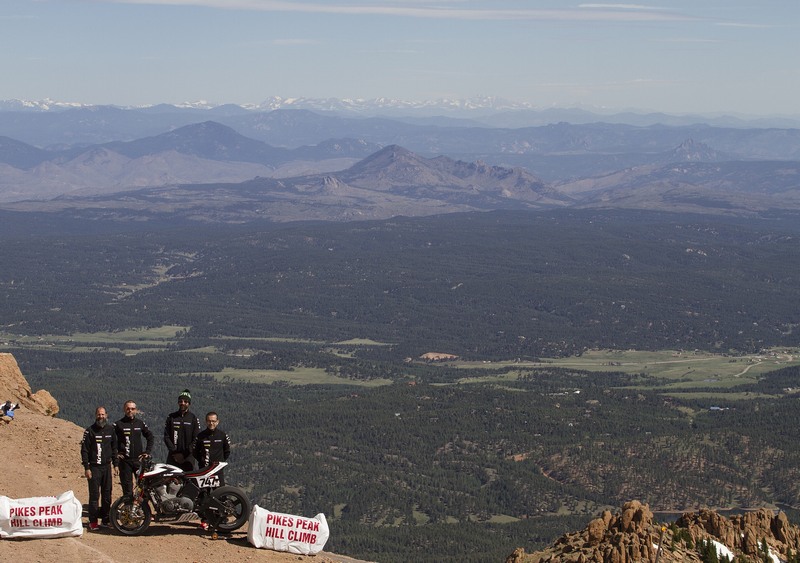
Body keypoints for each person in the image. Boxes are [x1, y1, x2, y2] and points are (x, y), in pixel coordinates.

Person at [80, 406, 117, 530]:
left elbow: (114, 448)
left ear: (106, 415)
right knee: (94, 496)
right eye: (98, 414)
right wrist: (87, 467)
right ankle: (93, 521)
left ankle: (106, 520)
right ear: (95, 415)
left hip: (107, 467)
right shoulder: (90, 431)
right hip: (94, 468)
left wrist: (115, 464)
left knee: (107, 496)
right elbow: (84, 450)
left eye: (102, 414)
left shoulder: (111, 429)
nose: (100, 417)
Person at [114, 400, 154, 497]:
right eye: (128, 409)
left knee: (142, 488)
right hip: (125, 462)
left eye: (132, 409)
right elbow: (111, 441)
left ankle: (143, 511)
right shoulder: (118, 424)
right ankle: (128, 510)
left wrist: (147, 452)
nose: (130, 411)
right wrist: (116, 454)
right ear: (124, 409)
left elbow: (150, 437)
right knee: (127, 489)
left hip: (138, 460)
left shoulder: (140, 423)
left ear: (136, 410)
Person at [164, 389, 200, 471]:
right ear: (178, 402)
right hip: (173, 456)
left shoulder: (193, 418)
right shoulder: (171, 417)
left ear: (189, 403)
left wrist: (184, 454)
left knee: (188, 482)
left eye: (185, 401)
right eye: (180, 401)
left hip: (188, 457)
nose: (182, 403)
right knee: (170, 481)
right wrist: (175, 452)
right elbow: (166, 437)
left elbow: (196, 439)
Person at [193, 411, 231, 485]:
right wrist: (201, 460)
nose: (211, 423)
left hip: (217, 470)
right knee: (203, 494)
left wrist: (220, 462)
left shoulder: (223, 435)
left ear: (217, 422)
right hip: (203, 470)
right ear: (206, 422)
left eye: (213, 421)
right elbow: (195, 452)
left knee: (220, 493)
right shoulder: (200, 436)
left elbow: (227, 451)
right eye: (209, 421)